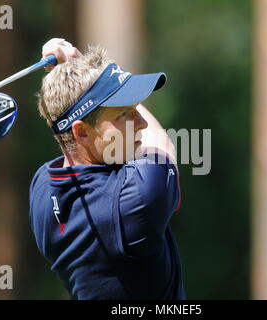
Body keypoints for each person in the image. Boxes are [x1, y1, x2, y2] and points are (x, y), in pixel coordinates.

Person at [28, 38, 185, 299]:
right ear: (81, 132)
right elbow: (162, 144)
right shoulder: (137, 200)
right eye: (124, 114)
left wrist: (88, 77)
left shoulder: (42, 187)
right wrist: (81, 65)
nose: (142, 123)